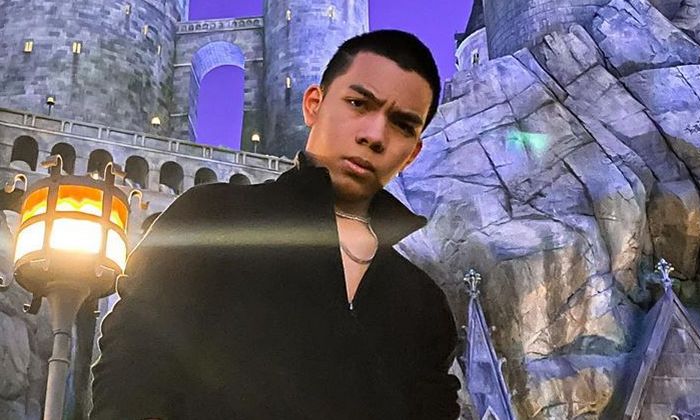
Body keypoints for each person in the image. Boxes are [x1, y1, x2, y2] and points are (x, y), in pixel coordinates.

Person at [91, 29, 461, 419]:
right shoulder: (212, 218)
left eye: (402, 125)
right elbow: (132, 369)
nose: (374, 135)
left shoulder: (424, 304)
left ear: (412, 153)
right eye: (358, 103)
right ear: (314, 105)